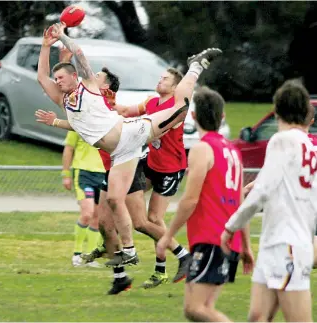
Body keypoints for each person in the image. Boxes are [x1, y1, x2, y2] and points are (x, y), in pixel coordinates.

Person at [37, 20, 222, 266]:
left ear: (74, 77)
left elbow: (77, 55)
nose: (56, 81)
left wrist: (63, 36)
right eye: (56, 79)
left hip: (132, 134)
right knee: (114, 200)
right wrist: (45, 45)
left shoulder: (90, 86)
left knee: (180, 108)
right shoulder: (66, 102)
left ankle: (195, 67)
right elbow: (42, 77)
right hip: (120, 154)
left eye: (60, 77)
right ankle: (129, 251)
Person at [221, 79, 317, 322]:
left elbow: (260, 193)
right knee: (257, 317)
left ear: (277, 110)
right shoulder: (308, 145)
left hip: (286, 243)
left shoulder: (281, 140)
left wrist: (231, 226)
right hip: (277, 242)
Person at [156, 86, 254, 322]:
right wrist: (247, 245)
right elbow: (240, 203)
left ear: (193, 116)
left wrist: (168, 235)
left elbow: (190, 199)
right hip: (227, 238)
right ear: (222, 117)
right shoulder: (232, 150)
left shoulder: (202, 149)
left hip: (212, 238)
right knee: (202, 308)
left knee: (197, 308)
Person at [114, 67, 190, 288]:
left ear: (176, 87)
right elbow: (127, 111)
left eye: (165, 79)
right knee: (135, 214)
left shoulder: (176, 110)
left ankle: (178, 260)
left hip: (170, 170)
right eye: (160, 77)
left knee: (153, 220)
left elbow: (154, 132)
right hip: (151, 164)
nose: (160, 81)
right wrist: (109, 106)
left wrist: (128, 135)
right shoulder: (150, 102)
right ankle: (165, 266)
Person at [62, 130, 105, 268]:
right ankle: (77, 253)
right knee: (87, 213)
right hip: (83, 174)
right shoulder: (77, 124)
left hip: (103, 174)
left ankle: (90, 257)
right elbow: (69, 148)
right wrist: (66, 173)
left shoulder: (108, 121)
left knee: (97, 218)